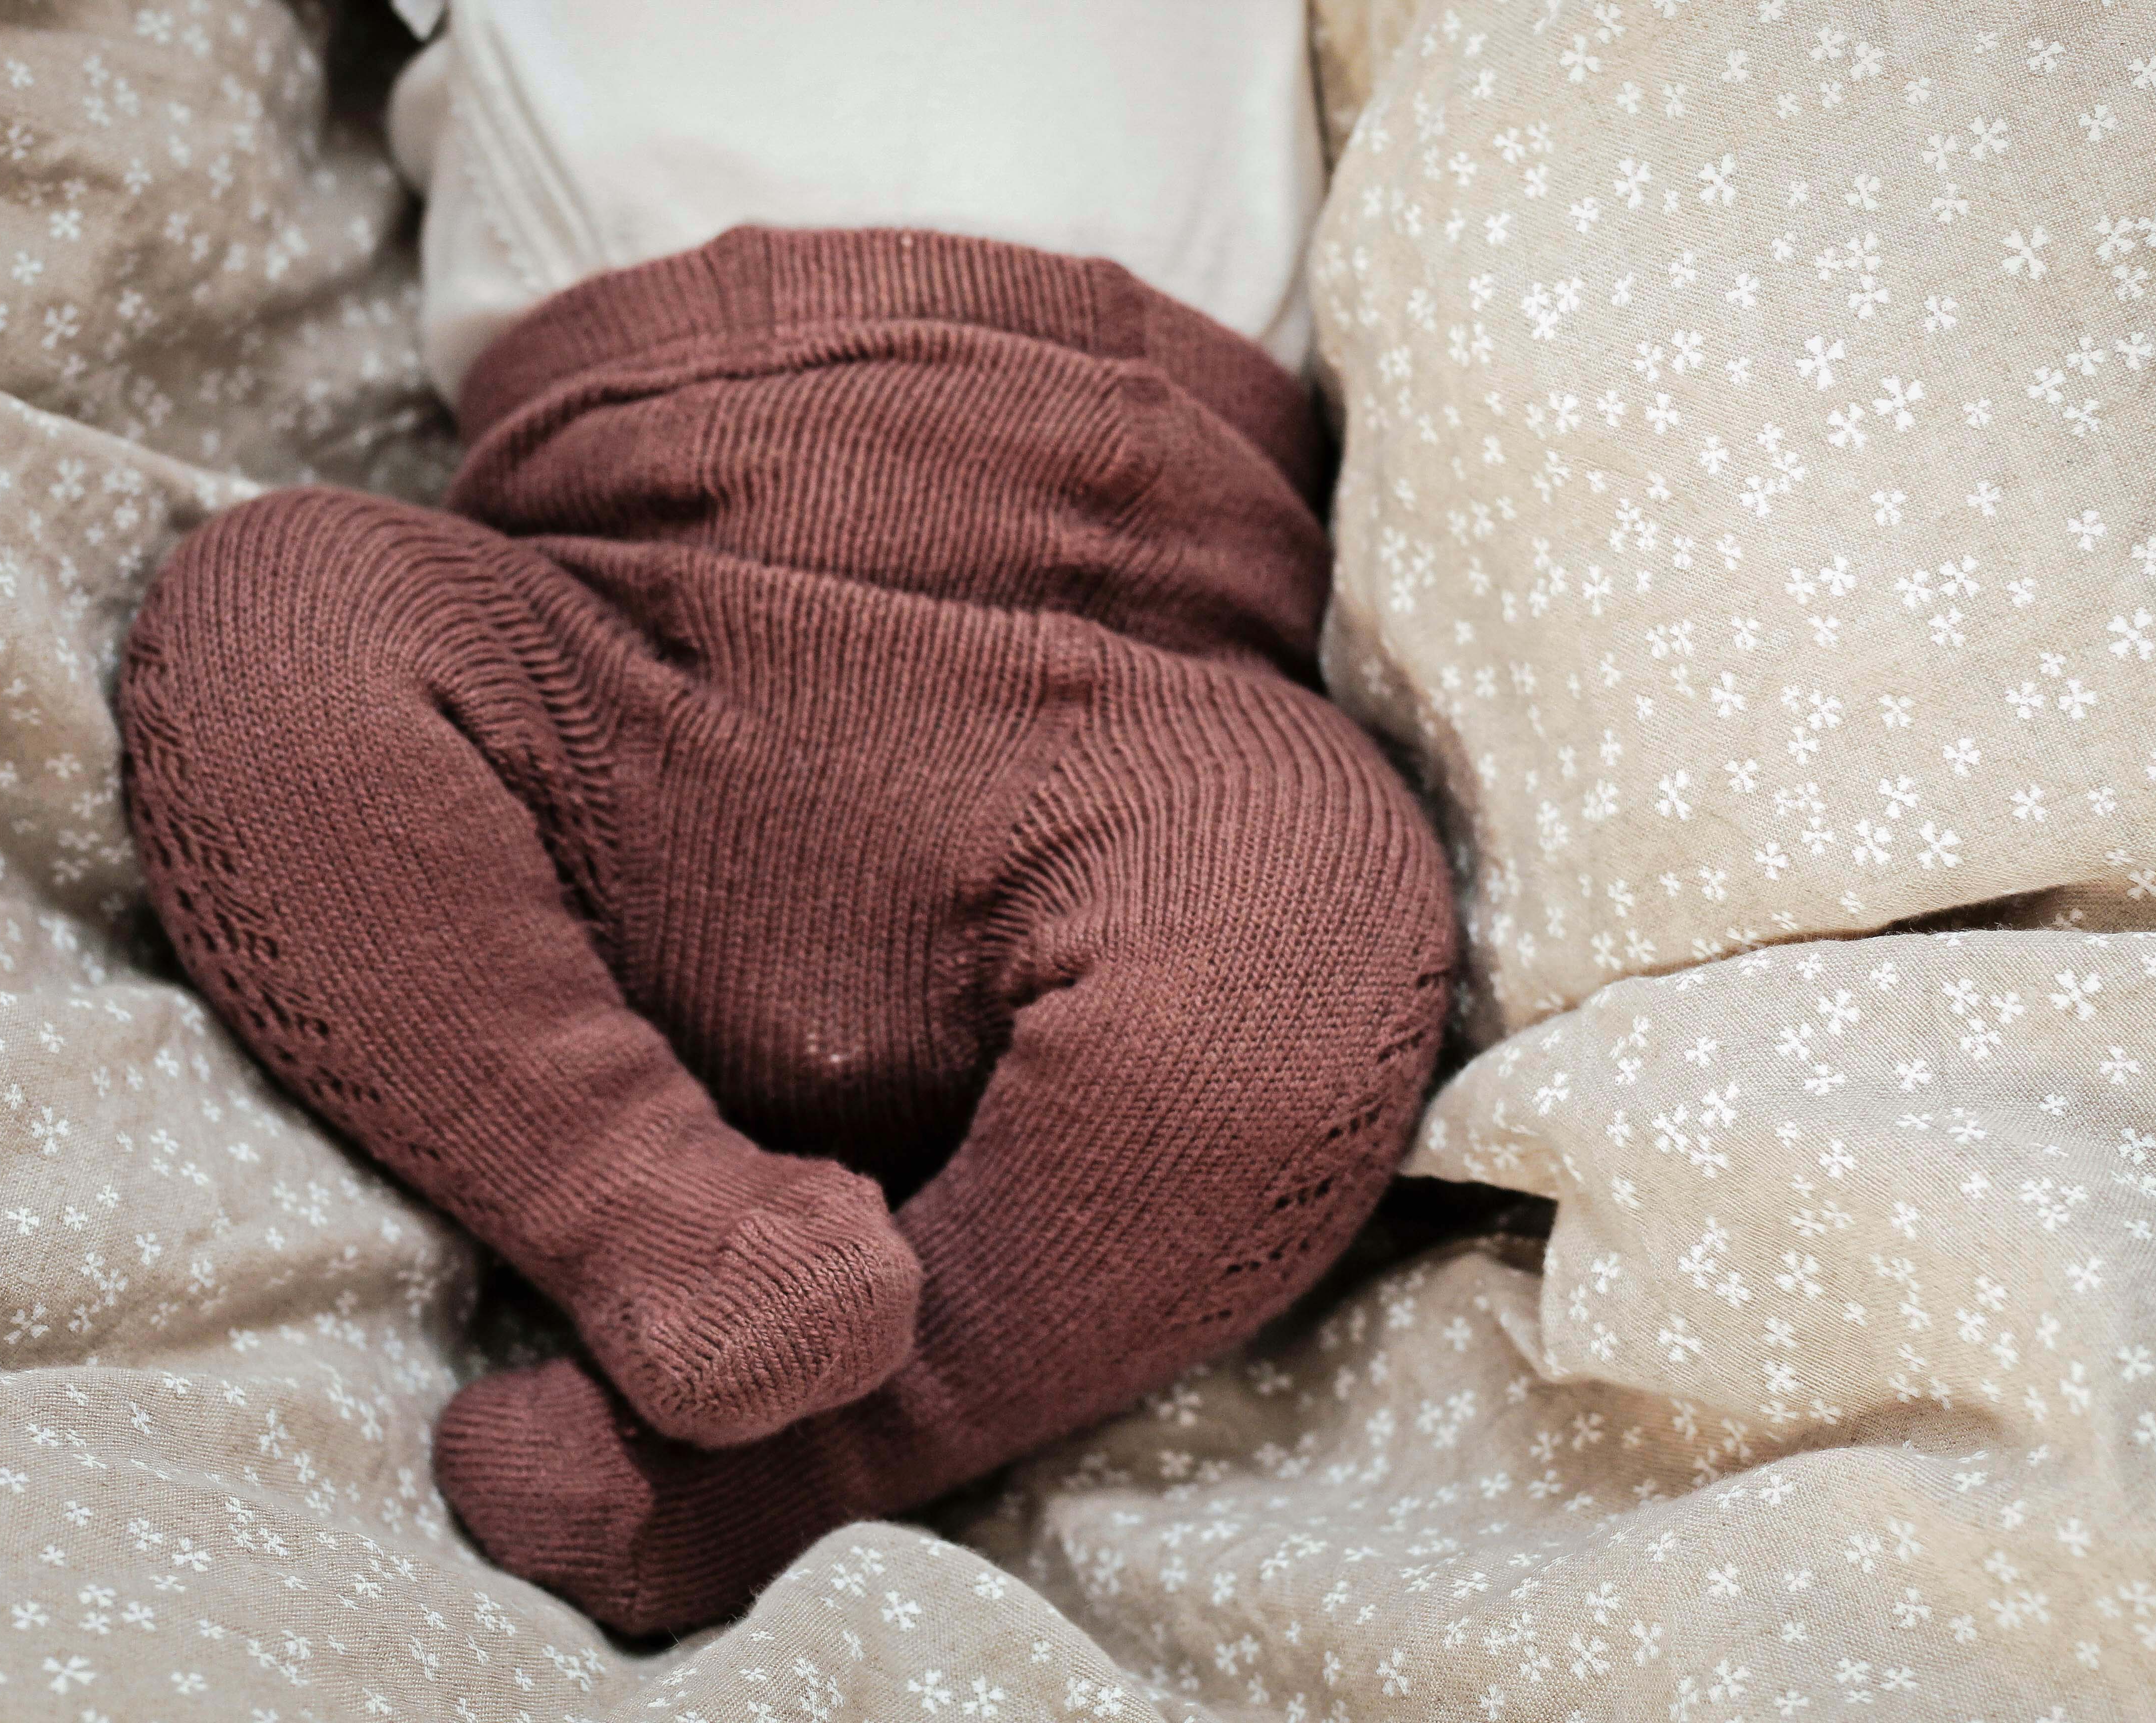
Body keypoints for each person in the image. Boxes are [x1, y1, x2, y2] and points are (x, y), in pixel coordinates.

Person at [114, 0, 1453, 1633]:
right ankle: (648, 1215)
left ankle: (817, 1451)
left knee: (1310, 904)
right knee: (276, 608)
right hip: (600, 645)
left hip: (1136, 713)